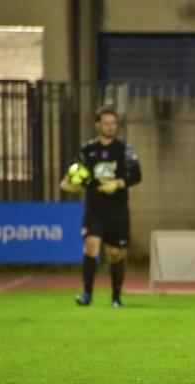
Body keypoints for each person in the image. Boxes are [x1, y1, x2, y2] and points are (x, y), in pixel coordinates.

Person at [60, 106, 142, 308]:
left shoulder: (124, 149)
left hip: (118, 210)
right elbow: (73, 176)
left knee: (116, 254)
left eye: (113, 123)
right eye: (106, 123)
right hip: (95, 208)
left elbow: (137, 175)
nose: (110, 127)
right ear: (98, 125)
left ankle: (116, 297)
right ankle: (87, 295)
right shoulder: (88, 150)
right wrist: (69, 184)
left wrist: (118, 183)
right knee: (91, 245)